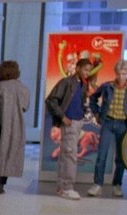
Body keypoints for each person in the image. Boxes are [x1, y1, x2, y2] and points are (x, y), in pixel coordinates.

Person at [45, 58, 93, 201]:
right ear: (77, 68)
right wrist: (63, 116)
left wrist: (83, 114)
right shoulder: (66, 82)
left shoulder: (83, 84)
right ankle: (67, 187)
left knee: (66, 154)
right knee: (70, 155)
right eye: (85, 69)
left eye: (89, 70)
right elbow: (51, 100)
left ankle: (62, 187)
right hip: (69, 123)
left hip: (78, 123)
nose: (87, 73)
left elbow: (82, 102)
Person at [0, 61, 31, 194]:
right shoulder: (22, 88)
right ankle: (2, 184)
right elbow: (25, 107)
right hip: (16, 125)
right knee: (10, 153)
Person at [87, 60, 127, 198]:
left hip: (123, 125)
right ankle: (98, 184)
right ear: (115, 73)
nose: (121, 76)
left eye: (124, 73)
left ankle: (117, 185)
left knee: (121, 157)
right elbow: (93, 98)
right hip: (108, 123)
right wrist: (97, 113)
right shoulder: (107, 86)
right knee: (102, 155)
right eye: (119, 73)